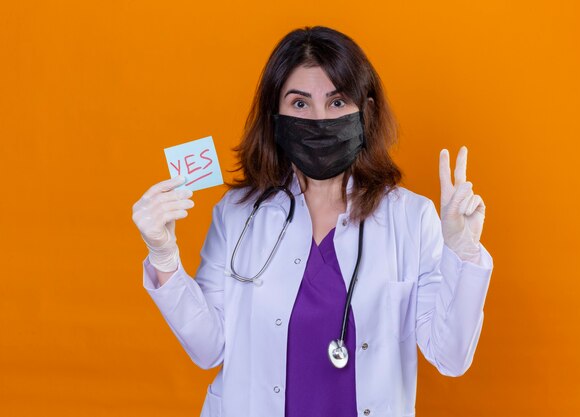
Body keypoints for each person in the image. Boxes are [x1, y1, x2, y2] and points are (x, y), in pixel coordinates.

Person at [132, 26, 494, 417]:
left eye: (337, 103)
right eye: (300, 105)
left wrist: (463, 253)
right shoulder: (237, 214)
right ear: (276, 116)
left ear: (365, 112)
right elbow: (208, 349)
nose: (320, 119)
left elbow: (450, 356)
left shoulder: (410, 218)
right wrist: (165, 258)